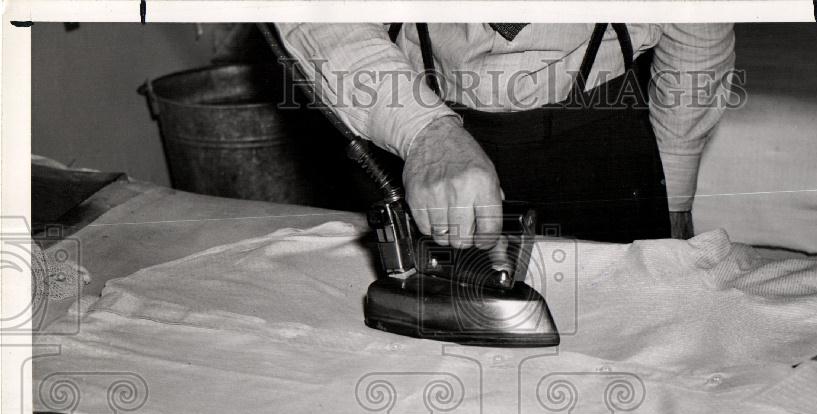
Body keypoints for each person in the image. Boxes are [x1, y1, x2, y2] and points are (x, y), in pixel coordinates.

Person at [277, 23, 735, 247]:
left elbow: (699, 27)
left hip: (603, 144)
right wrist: (423, 131)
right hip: (411, 140)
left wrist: (673, 189)